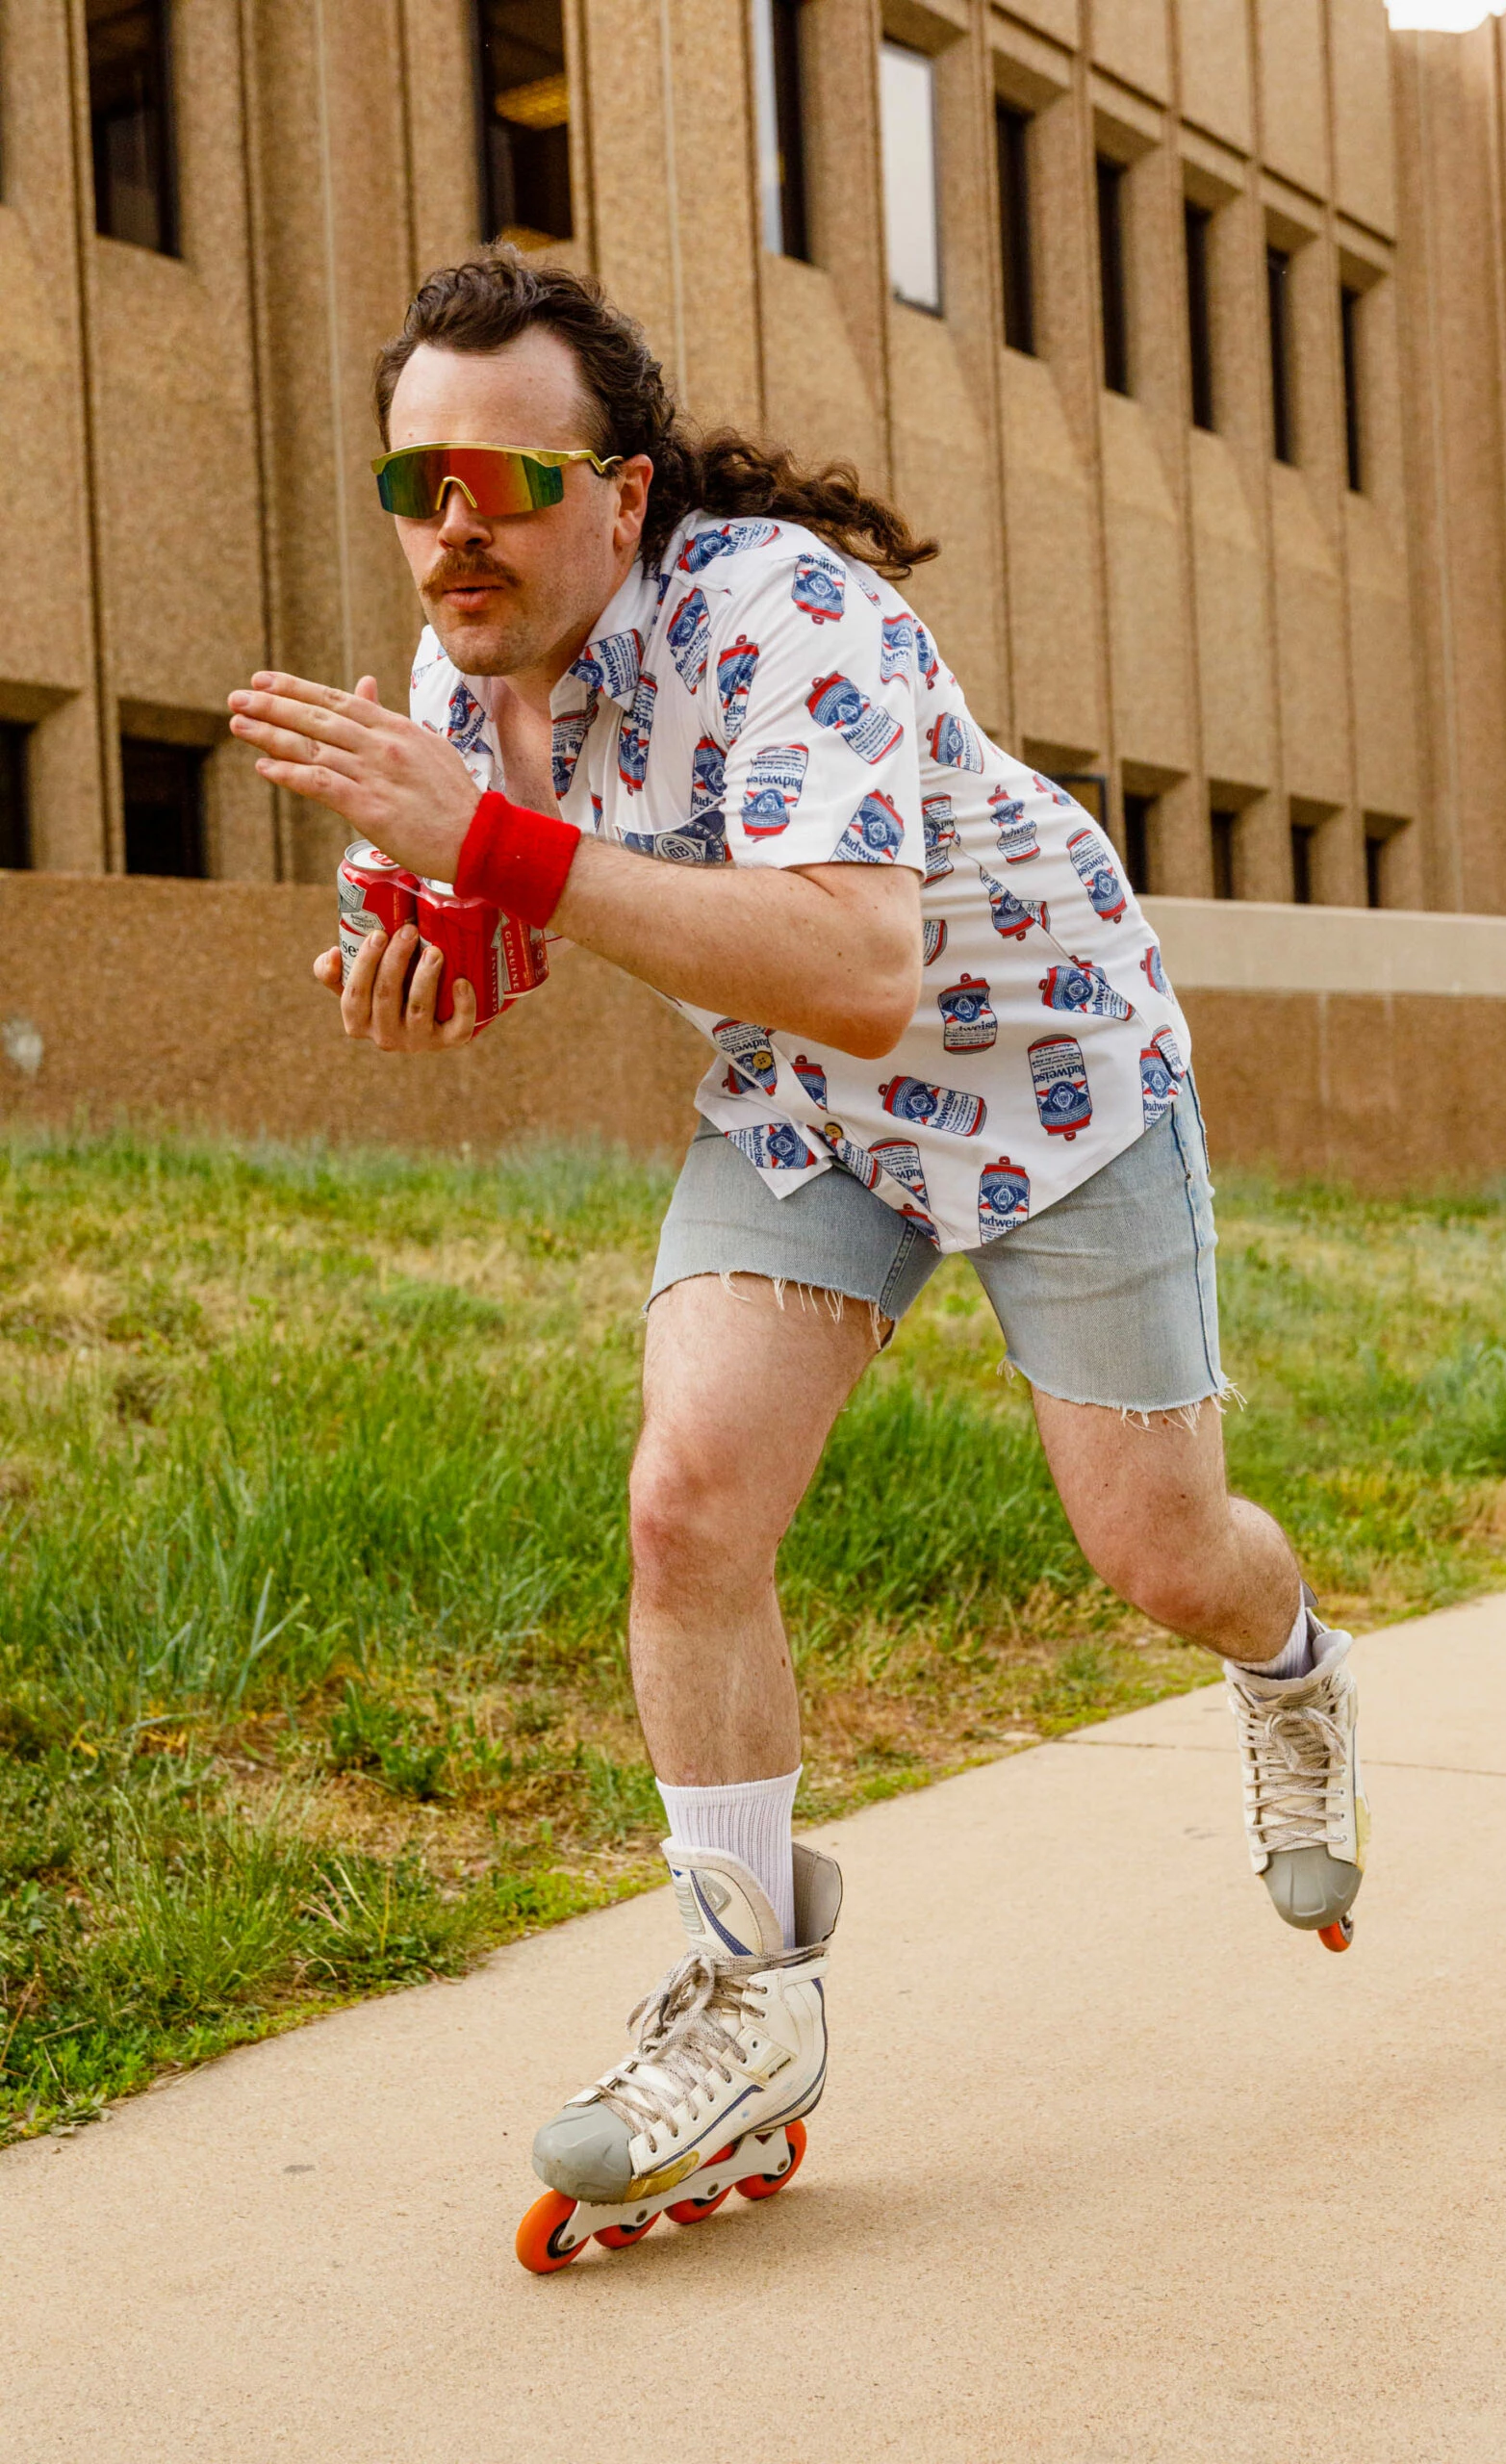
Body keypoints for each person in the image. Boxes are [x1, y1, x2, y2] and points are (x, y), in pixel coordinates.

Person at [228, 256, 1367, 2268]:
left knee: (1157, 1549)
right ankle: (748, 1994)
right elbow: (570, 925)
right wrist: (439, 966)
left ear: (624, 495)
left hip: (1049, 1077)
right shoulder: (451, 693)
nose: (452, 521)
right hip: (804, 1111)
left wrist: (493, 865)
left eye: (502, 470)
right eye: (417, 475)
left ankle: (1289, 1668)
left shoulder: (784, 611)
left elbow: (856, 961)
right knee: (686, 1499)